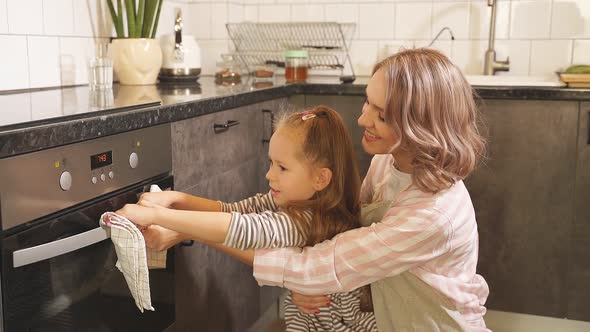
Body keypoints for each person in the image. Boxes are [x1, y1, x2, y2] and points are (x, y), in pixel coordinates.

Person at [134, 48, 491, 331]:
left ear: (420, 127)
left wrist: (173, 223)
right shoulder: (391, 161)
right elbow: (344, 238)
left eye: (381, 115)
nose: (363, 118)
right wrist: (179, 202)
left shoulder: (433, 215)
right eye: (368, 102)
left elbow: (314, 263)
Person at [117, 106, 379, 332]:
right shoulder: (293, 200)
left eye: (282, 167)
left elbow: (243, 229)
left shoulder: (304, 220)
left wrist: (156, 215)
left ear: (320, 178)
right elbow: (234, 211)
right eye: (271, 163)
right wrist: (177, 199)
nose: (269, 175)